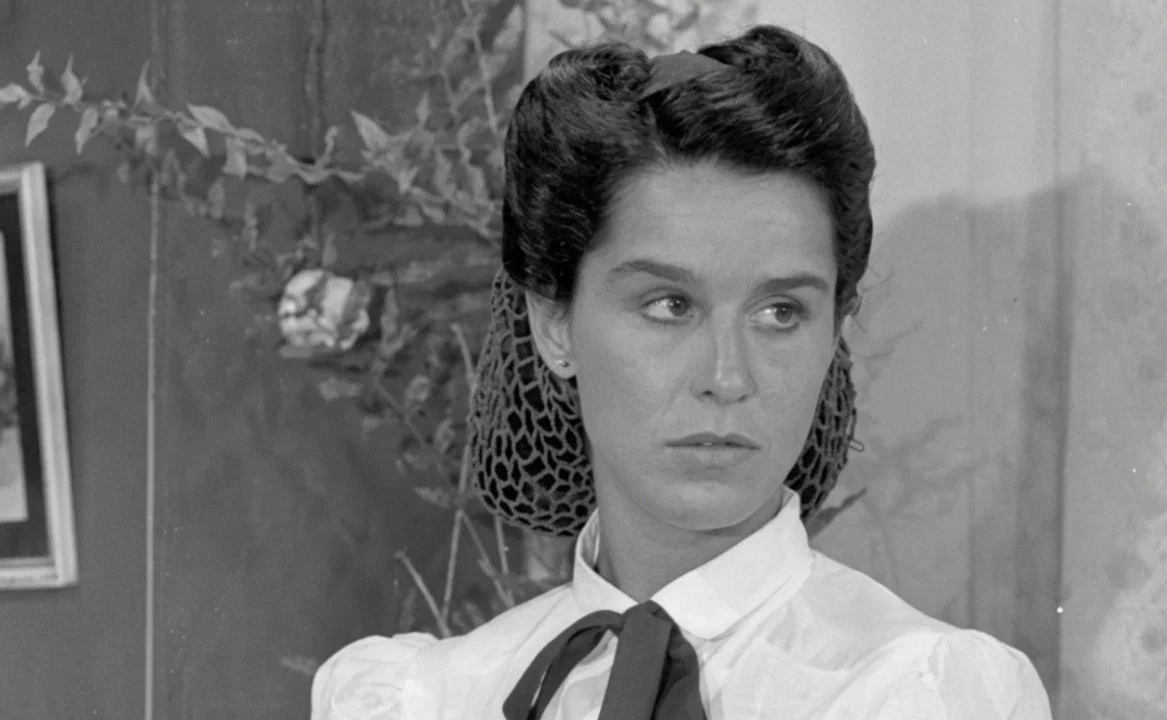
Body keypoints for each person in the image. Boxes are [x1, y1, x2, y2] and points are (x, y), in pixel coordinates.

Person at [312, 24, 1052, 719]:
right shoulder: (430, 699)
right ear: (554, 323)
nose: (727, 377)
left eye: (780, 313)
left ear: (835, 330)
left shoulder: (922, 693)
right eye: (669, 305)